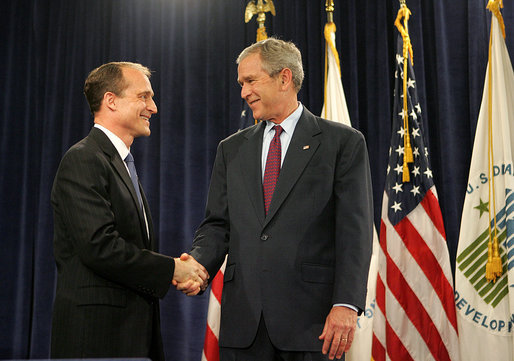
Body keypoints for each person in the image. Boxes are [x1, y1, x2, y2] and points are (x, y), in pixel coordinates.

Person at [183, 38, 373, 360]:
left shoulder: (342, 143)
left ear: (284, 78)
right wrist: (199, 264)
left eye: (250, 81)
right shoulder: (231, 149)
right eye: (241, 83)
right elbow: (218, 224)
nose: (243, 92)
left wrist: (346, 304)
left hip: (312, 324)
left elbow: (354, 233)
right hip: (244, 324)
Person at [50, 61, 208, 361]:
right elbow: (100, 248)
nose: (154, 107)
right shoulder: (83, 159)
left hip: (131, 334)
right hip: (97, 339)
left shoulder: (119, 164)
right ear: (111, 100)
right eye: (144, 97)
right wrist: (173, 269)